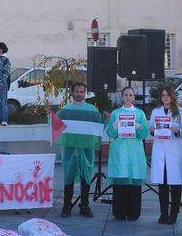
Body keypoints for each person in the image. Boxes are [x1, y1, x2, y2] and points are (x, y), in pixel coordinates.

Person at [57, 82, 102, 218]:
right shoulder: (65, 109)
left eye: (82, 92)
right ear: (72, 92)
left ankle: (84, 205)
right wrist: (50, 117)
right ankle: (66, 205)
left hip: (86, 148)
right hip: (70, 148)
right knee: (69, 176)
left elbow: (99, 126)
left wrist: (106, 120)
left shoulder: (92, 110)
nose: (79, 94)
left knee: (86, 176)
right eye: (77, 91)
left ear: (85, 93)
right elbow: (55, 124)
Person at [105, 87, 148, 221]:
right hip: (120, 152)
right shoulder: (116, 113)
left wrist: (139, 127)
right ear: (122, 97)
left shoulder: (140, 114)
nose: (128, 97)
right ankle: (119, 212)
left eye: (130, 95)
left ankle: (134, 212)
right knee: (120, 182)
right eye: (125, 95)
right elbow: (110, 134)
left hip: (135, 152)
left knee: (134, 183)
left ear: (134, 97)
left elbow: (144, 134)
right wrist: (114, 126)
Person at [149, 86, 182, 225]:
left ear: (173, 96)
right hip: (160, 150)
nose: (165, 98)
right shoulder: (156, 112)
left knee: (175, 184)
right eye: (163, 95)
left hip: (175, 151)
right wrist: (152, 130)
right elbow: (151, 129)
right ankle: (163, 213)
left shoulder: (181, 112)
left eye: (168, 95)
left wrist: (177, 130)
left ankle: (174, 213)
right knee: (163, 184)